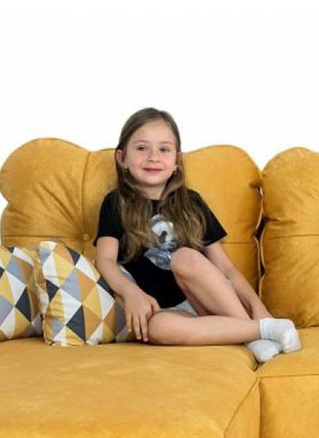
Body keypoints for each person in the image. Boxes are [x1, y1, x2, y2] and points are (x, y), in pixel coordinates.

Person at [94, 107, 300, 363]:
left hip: (205, 301)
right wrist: (131, 293)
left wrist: (260, 309)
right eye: (142, 148)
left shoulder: (191, 203)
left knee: (184, 258)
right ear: (122, 158)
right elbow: (105, 260)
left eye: (164, 149)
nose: (153, 157)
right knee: (156, 328)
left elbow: (226, 269)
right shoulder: (115, 203)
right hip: (168, 312)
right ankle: (257, 333)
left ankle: (258, 329)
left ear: (177, 161)